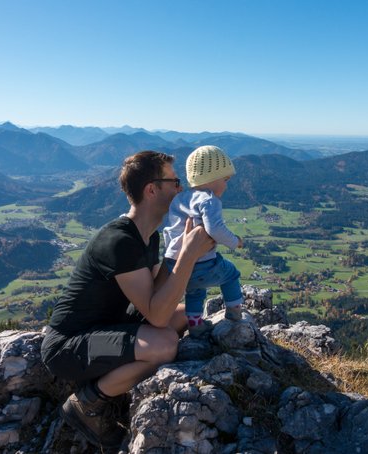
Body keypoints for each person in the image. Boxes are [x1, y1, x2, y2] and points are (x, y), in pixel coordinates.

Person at [40, 151, 215, 449]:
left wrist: (178, 253)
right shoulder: (120, 241)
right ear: (152, 189)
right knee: (165, 345)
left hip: (105, 326)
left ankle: (115, 381)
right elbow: (157, 317)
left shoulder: (149, 236)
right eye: (175, 182)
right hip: (67, 346)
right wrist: (188, 255)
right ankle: (87, 403)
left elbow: (159, 298)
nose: (181, 189)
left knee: (183, 316)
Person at [163, 145, 244, 337]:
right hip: (203, 264)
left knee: (194, 291)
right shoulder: (209, 200)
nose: (226, 185)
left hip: (177, 266)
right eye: (225, 179)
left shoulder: (179, 199)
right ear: (213, 178)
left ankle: (196, 325)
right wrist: (235, 242)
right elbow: (214, 229)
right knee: (231, 273)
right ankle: (234, 313)